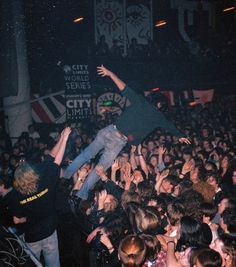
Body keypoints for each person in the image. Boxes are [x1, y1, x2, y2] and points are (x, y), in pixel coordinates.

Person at [63, 65, 190, 200]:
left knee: (85, 155)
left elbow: (123, 87)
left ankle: (65, 178)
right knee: (99, 169)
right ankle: (81, 194)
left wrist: (110, 73)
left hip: (109, 130)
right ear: (160, 105)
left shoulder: (141, 101)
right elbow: (169, 126)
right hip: (118, 141)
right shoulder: (158, 117)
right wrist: (179, 135)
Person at [2, 127, 71, 267]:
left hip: (32, 236)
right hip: (50, 231)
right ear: (32, 175)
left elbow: (16, 220)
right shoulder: (45, 182)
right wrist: (63, 138)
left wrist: (27, 218)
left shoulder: (15, 195)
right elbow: (55, 159)